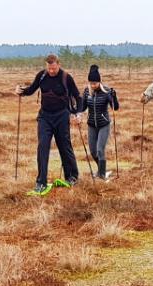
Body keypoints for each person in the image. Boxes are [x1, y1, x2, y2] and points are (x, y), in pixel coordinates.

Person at [14, 53, 81, 196]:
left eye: (54, 69)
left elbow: (77, 96)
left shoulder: (66, 77)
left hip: (62, 116)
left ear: (59, 64)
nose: (51, 71)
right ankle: (41, 182)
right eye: (49, 68)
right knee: (42, 146)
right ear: (46, 66)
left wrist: (77, 113)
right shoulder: (42, 76)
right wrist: (21, 92)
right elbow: (31, 89)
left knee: (64, 146)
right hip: (45, 117)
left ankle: (72, 177)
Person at [80, 64, 120, 180]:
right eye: (91, 83)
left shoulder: (107, 91)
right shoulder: (87, 91)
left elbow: (115, 107)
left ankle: (102, 176)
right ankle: (101, 170)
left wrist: (114, 97)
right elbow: (82, 108)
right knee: (93, 151)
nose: (93, 85)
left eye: (95, 83)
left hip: (104, 124)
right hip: (91, 124)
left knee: (99, 149)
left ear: (99, 82)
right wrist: (73, 103)